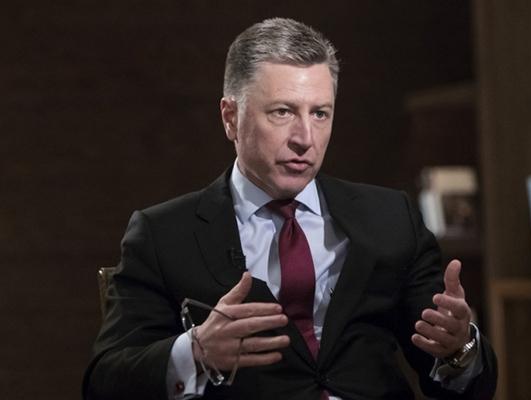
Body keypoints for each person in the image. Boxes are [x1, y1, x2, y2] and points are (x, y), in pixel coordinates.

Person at [83, 17, 497, 400]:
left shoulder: (390, 218)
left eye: (320, 114)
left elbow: (463, 381)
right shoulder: (163, 235)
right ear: (231, 118)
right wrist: (196, 352)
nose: (305, 138)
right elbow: (105, 382)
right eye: (282, 112)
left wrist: (460, 347)